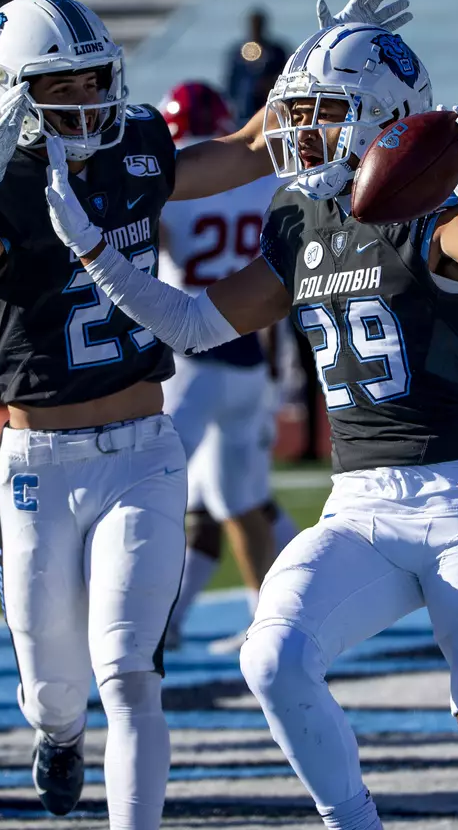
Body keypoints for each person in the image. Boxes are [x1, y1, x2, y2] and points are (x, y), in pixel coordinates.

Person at [38, 14, 458, 830]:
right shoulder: (296, 212)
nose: (300, 130)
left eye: (322, 110)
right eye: (298, 109)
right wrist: (96, 257)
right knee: (271, 657)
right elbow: (194, 324)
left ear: (386, 115)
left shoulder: (432, 203)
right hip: (358, 502)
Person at [0, 0, 316, 826]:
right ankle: (58, 738)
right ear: (10, 92)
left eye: (96, 77)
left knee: (130, 670)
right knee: (56, 693)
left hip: (143, 445)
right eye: (61, 86)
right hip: (37, 463)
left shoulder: (133, 143)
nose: (89, 99)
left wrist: (322, 75)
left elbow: (245, 151)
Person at [155, 81, 297, 653]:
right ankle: (269, 621)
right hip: (246, 355)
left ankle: (143, 622)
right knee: (242, 503)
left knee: (153, 486)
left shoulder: (169, 180)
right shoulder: (259, 178)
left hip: (191, 350)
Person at [225, 8, 289, 121]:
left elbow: (284, 74)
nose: (256, 28)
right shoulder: (238, 54)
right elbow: (232, 82)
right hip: (244, 110)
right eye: (254, 24)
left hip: (270, 108)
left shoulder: (276, 52)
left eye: (259, 24)